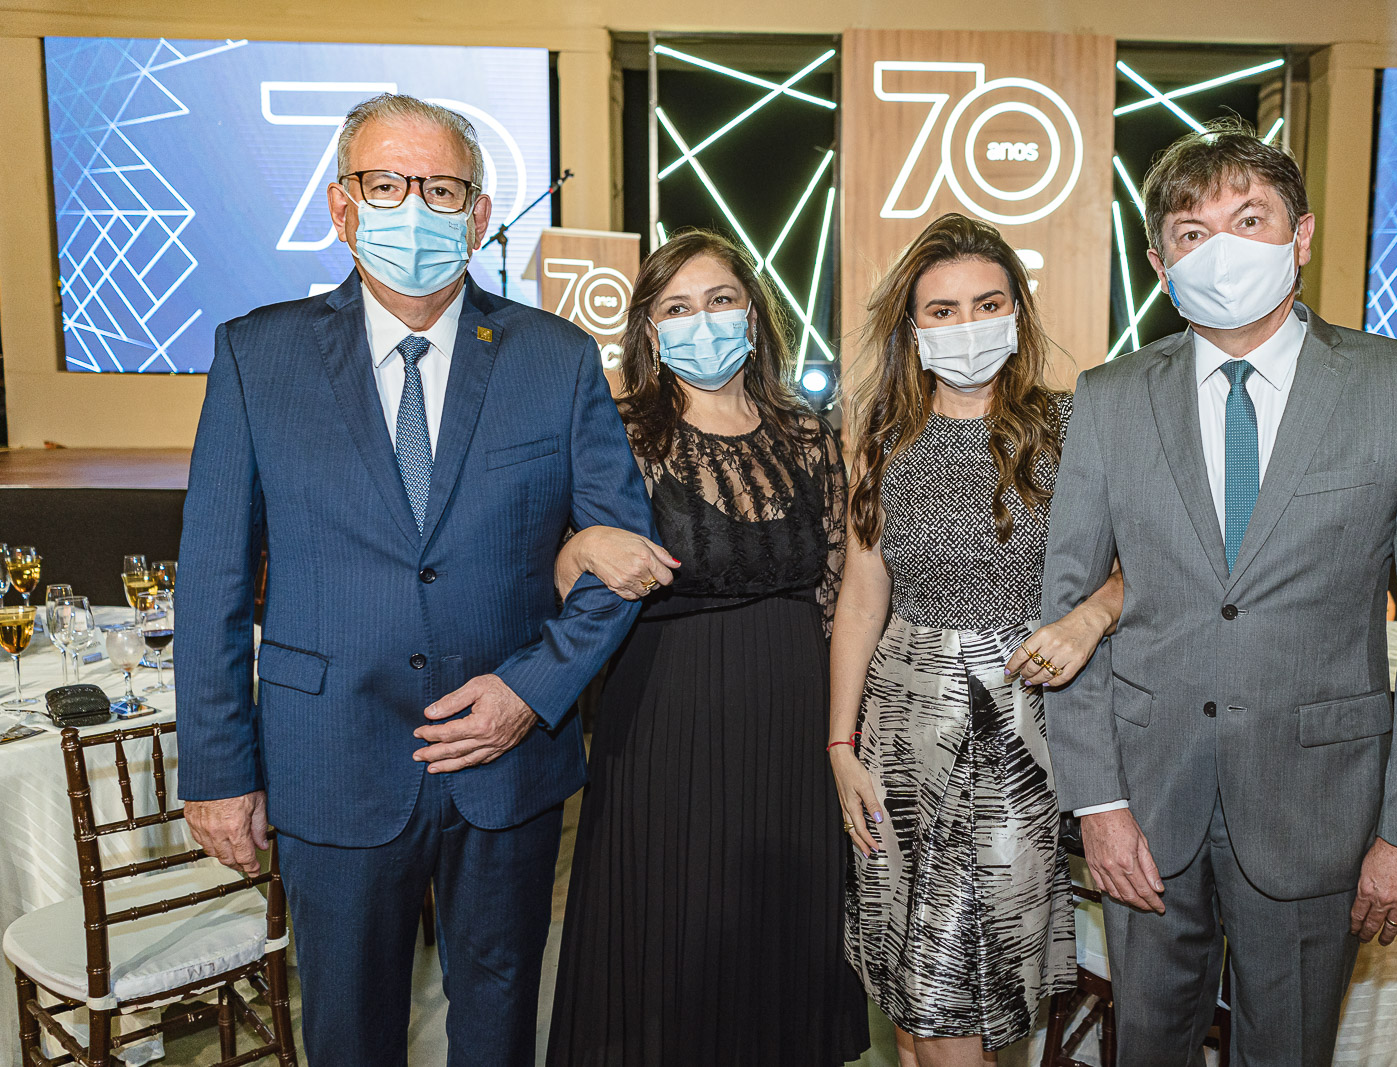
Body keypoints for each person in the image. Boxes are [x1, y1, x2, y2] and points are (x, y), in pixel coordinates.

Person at [177, 93, 655, 1066]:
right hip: (329, 759)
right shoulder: (256, 354)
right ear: (341, 205)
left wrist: (531, 690)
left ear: (477, 216)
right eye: (386, 184)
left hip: (507, 764)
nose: (413, 208)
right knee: (348, 1033)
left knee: (497, 1026)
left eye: (439, 189)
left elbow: (624, 555)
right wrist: (220, 772)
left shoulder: (555, 358)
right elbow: (212, 578)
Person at [1042, 119, 1397, 1065]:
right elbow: (1069, 607)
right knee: (1146, 1049)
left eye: (1249, 219)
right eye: (1193, 232)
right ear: (1160, 263)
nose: (1224, 249)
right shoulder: (1110, 397)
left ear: (1302, 234)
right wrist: (1096, 803)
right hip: (1145, 803)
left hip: (1319, 804)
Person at [544, 229, 870, 1066]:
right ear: (650, 332)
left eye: (720, 300)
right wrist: (582, 549)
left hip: (793, 735)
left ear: (753, 315)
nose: (704, 319)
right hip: (664, 728)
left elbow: (840, 596)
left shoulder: (809, 436)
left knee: (781, 952)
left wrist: (843, 735)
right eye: (678, 307)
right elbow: (557, 572)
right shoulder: (621, 433)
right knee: (669, 948)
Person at [828, 212, 1125, 1067]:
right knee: (911, 1010)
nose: (968, 325)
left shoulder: (1073, 427)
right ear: (914, 327)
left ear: (1017, 312)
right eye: (944, 310)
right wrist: (840, 743)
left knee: (967, 995)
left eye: (987, 304)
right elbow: (861, 597)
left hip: (1017, 734)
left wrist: (1088, 617)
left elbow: (1144, 566)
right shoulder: (882, 437)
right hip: (898, 734)